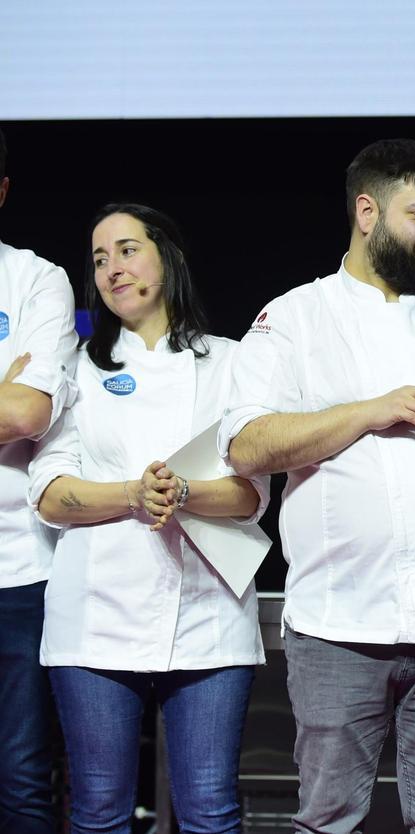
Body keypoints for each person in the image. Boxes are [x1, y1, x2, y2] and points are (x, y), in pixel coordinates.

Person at [220, 138, 415, 834]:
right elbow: (245, 444)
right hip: (337, 626)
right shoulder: (294, 317)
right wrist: (373, 410)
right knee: (329, 820)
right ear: (367, 211)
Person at [28, 203, 268, 834]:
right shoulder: (77, 367)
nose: (112, 269)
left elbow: (251, 494)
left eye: (128, 250)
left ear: (168, 257)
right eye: (100, 258)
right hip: (97, 613)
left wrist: (184, 491)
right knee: (99, 811)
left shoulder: (231, 361)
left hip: (210, 613)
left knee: (211, 812)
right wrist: (133, 496)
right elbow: (51, 493)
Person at [0, 126, 80, 834]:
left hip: (19, 572)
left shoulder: (34, 278)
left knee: (23, 779)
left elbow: (26, 410)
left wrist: (11, 401)